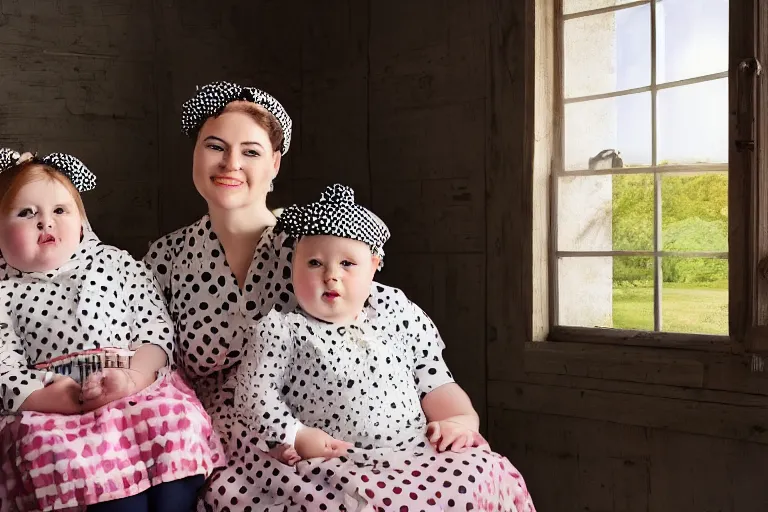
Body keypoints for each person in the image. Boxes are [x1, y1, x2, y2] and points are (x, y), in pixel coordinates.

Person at [226, 183, 536, 511]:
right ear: (293, 267)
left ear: (373, 266)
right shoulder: (282, 329)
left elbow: (434, 380)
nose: (331, 276)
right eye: (314, 263)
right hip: (331, 462)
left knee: (479, 472)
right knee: (344, 503)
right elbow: (254, 395)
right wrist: (295, 434)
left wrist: (459, 420)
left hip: (413, 455)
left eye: (347, 264)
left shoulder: (395, 315)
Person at [0, 149, 223, 512]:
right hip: (57, 402)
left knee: (176, 424)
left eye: (60, 210)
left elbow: (155, 328)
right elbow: (3, 367)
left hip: (134, 384)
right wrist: (55, 398)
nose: (46, 223)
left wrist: (135, 376)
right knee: (55, 451)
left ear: (82, 220)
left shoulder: (116, 263)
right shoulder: (4, 291)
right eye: (26, 213)